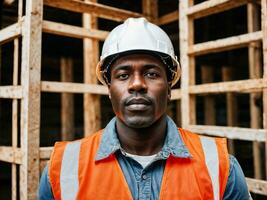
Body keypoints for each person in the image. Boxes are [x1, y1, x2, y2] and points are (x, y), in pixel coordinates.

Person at [39, 17, 250, 200]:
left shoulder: (220, 167)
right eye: (123, 75)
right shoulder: (62, 170)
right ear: (109, 89)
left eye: (151, 74)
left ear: (169, 88)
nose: (137, 84)